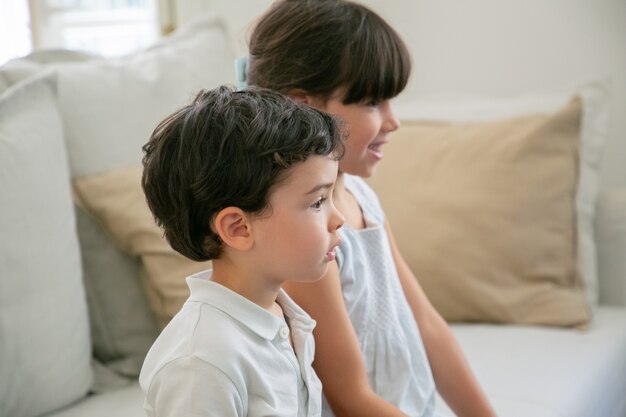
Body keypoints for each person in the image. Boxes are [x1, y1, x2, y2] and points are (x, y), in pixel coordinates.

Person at [243, 1, 498, 416]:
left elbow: (427, 324)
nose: (393, 121)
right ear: (305, 108)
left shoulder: (360, 196)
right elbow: (350, 397)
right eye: (372, 103)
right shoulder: (307, 234)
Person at [138, 85, 345, 417]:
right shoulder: (200, 364)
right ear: (238, 228)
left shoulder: (285, 318)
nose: (339, 219)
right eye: (318, 201)